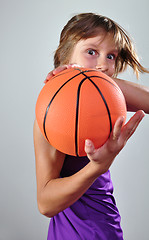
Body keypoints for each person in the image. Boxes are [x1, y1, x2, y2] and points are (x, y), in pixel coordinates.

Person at [34, 13, 149, 240]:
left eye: (111, 56)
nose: (103, 65)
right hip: (71, 231)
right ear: (66, 55)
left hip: (104, 225)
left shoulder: (105, 99)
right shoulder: (52, 110)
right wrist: (96, 167)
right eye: (91, 52)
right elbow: (45, 203)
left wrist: (99, 81)